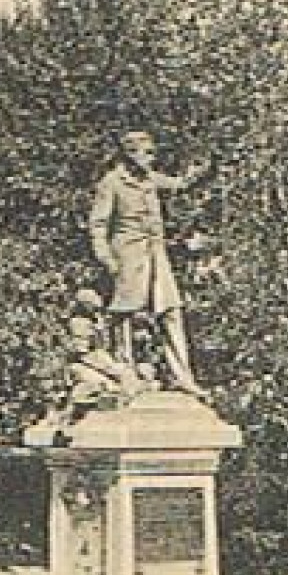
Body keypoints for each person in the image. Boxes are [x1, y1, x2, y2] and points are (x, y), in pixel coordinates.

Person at [88, 130, 209, 396]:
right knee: (124, 313)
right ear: (131, 154)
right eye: (148, 153)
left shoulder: (150, 180)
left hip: (156, 255)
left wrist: (199, 169)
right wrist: (107, 258)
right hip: (127, 254)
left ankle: (182, 376)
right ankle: (125, 374)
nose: (152, 158)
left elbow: (180, 184)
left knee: (171, 310)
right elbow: (97, 225)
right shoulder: (111, 183)